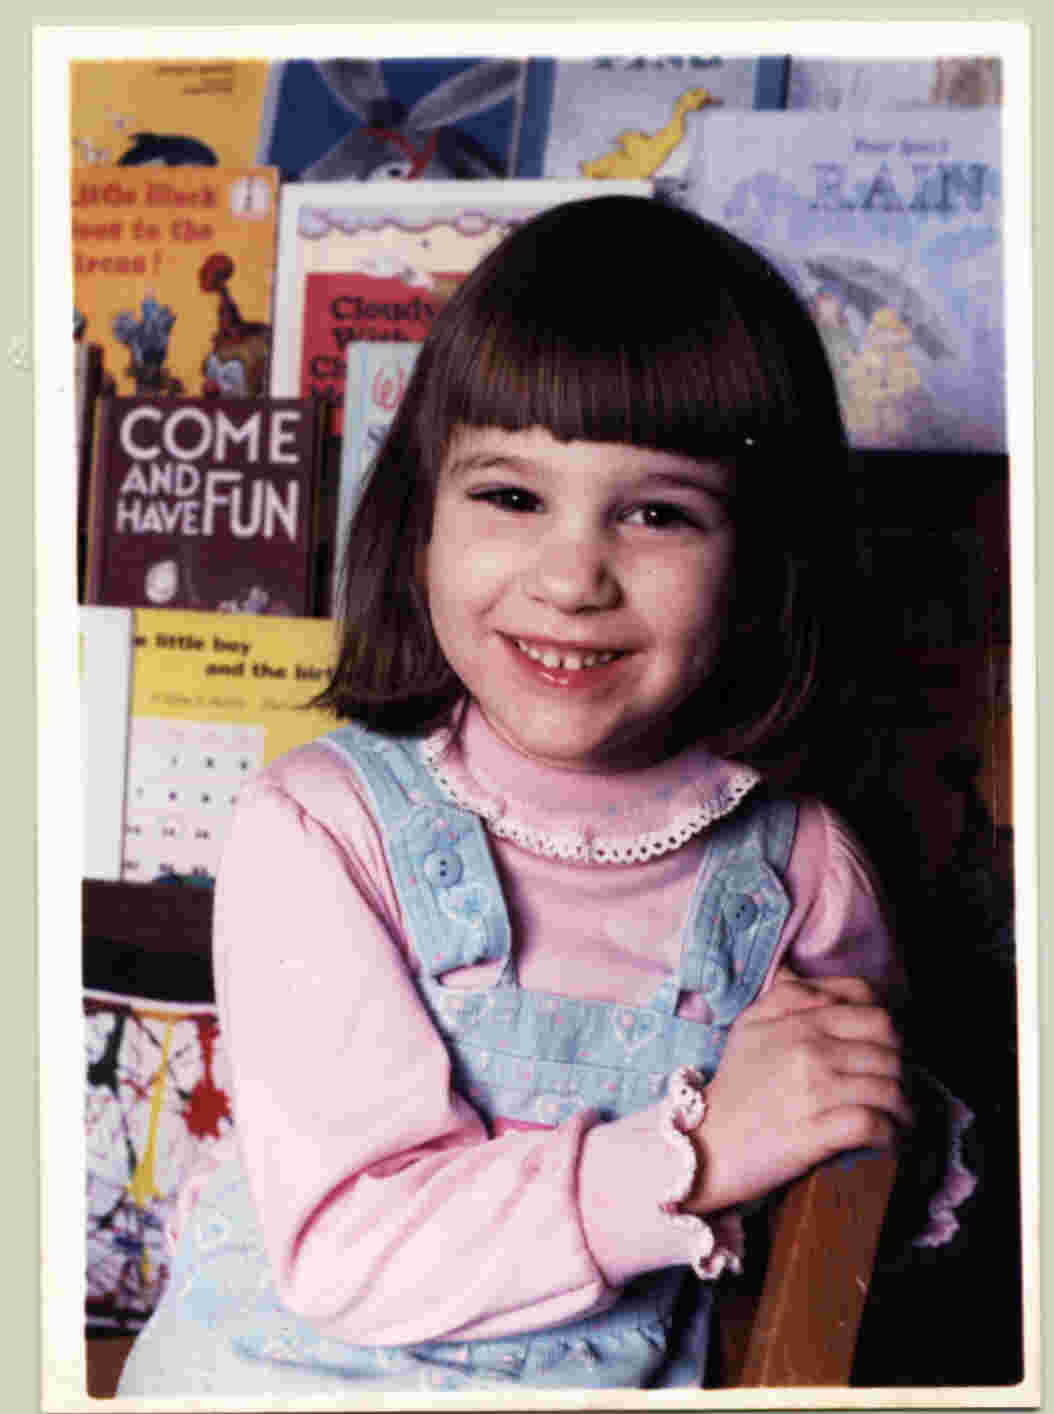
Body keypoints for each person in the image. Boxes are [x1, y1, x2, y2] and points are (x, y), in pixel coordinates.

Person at [118, 194, 971, 1395]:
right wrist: (698, 1151)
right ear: (419, 522)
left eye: (659, 513)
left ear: (763, 564)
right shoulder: (317, 829)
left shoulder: (798, 872)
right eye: (510, 497)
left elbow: (841, 1177)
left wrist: (846, 1113)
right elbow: (350, 1248)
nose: (573, 578)